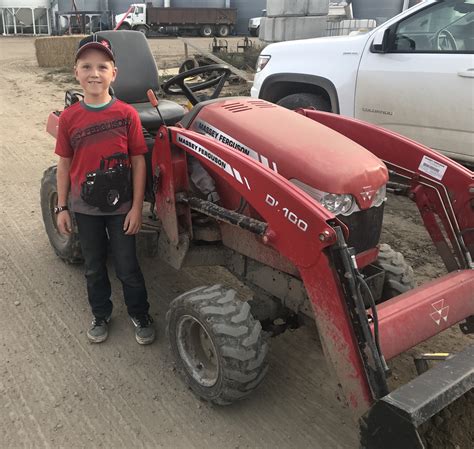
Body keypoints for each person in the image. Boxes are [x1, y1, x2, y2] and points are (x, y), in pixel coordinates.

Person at [54, 34, 155, 345]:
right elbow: (64, 165)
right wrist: (62, 206)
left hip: (122, 208)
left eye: (102, 66)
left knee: (128, 267)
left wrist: (137, 207)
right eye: (86, 66)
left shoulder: (126, 115)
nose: (94, 73)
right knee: (94, 267)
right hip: (85, 210)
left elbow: (138, 162)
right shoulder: (70, 118)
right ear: (76, 73)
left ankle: (140, 313)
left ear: (114, 73)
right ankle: (100, 313)